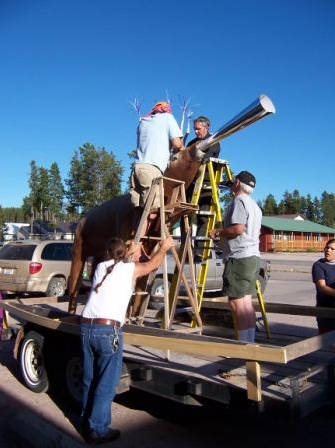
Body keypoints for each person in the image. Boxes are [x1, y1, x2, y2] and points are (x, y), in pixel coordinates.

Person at [79, 236, 174, 444]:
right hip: (107, 331)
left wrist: (131, 250)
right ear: (124, 254)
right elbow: (152, 265)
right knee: (106, 382)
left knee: (90, 378)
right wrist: (164, 247)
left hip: (86, 327)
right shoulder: (128, 270)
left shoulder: (101, 267)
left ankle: (86, 421)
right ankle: (97, 430)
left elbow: (118, 265)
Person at [209, 171, 262, 343]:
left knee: (236, 304)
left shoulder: (239, 201)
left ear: (237, 183)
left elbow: (238, 229)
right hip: (252, 256)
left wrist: (218, 231)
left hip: (239, 258)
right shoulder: (254, 206)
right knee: (246, 303)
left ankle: (243, 346)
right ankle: (249, 343)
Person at [130, 101, 183, 235]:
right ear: (166, 110)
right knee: (152, 212)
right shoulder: (167, 118)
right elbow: (177, 143)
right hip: (151, 169)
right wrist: (183, 149)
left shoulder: (143, 121)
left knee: (138, 209)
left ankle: (133, 239)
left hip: (137, 168)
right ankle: (139, 245)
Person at [186, 116, 221, 258]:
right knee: (186, 216)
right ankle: (186, 246)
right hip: (191, 183)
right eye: (194, 129)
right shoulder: (192, 142)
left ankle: (199, 250)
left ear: (206, 128)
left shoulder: (213, 141)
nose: (196, 131)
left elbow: (206, 157)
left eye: (198, 129)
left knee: (203, 217)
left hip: (206, 184)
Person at [312, 238, 335, 334]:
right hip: (325, 310)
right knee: (327, 342)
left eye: (332, 249)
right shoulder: (318, 265)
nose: (328, 250)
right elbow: (322, 287)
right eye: (327, 248)